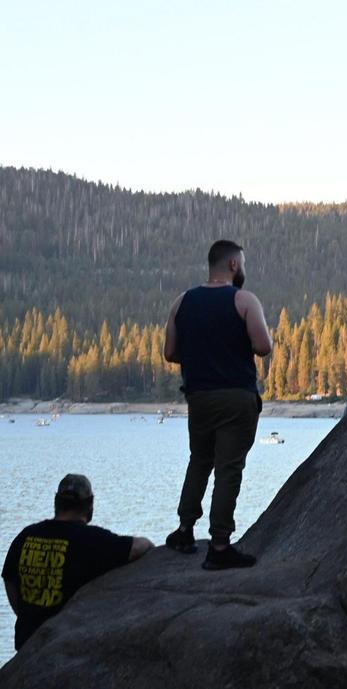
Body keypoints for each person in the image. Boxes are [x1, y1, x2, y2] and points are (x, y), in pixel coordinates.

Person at [162, 239, 272, 570]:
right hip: (236, 397)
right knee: (228, 468)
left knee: (199, 459)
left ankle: (184, 530)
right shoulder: (244, 300)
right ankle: (220, 545)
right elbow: (263, 346)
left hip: (199, 397)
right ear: (233, 265)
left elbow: (170, 353)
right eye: (243, 264)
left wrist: (201, 355)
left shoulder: (182, 302)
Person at [3, 474, 153, 651]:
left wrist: (25, 615)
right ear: (90, 504)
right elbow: (138, 547)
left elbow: (9, 579)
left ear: (56, 502)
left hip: (27, 643)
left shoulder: (25, 536)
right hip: (66, 645)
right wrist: (149, 544)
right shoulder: (91, 540)